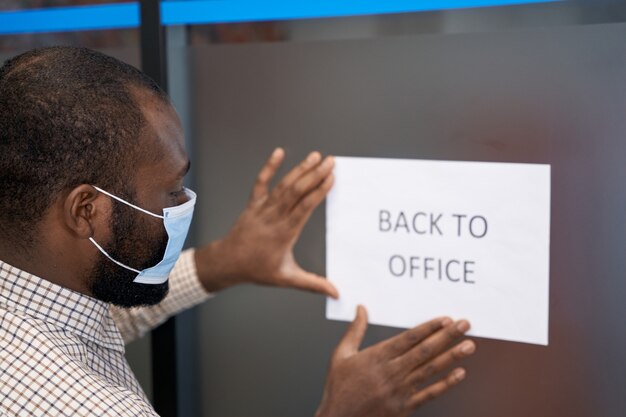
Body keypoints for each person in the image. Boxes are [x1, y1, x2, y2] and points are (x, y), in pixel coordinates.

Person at [0, 47, 476, 417]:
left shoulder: (29, 294)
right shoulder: (87, 406)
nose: (183, 203)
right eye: (170, 190)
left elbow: (93, 324)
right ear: (87, 209)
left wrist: (226, 261)